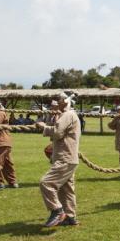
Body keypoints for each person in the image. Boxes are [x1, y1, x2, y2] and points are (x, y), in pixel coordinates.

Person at [35, 93, 82, 226]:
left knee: (46, 183)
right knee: (66, 189)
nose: (55, 103)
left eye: (58, 100)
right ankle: (70, 217)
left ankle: (57, 210)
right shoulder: (65, 115)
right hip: (68, 157)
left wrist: (43, 126)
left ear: (66, 102)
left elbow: (57, 132)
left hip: (65, 158)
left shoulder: (68, 115)